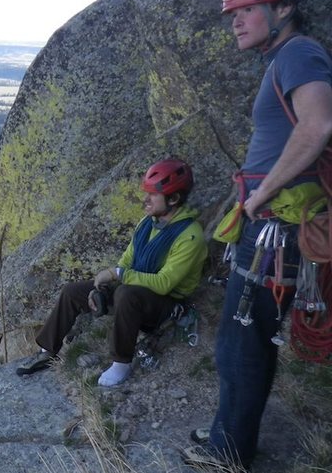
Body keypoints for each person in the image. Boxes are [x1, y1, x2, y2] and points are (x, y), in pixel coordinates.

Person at [181, 0, 332, 469]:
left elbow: (317, 125)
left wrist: (262, 194)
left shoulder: (299, 53)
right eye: (234, 14)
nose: (236, 22)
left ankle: (229, 450)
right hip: (279, 226)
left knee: (239, 340)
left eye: (247, 11)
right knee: (246, 336)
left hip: (277, 228)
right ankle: (232, 429)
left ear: (283, 8)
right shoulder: (283, 58)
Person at [16, 159, 208, 387]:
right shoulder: (148, 222)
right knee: (72, 291)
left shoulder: (190, 235)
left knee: (126, 293)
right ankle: (47, 349)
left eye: (152, 195)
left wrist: (118, 274)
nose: (145, 200)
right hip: (134, 291)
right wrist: (104, 288)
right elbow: (128, 259)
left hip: (166, 305)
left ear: (173, 199)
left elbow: (165, 283)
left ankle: (121, 364)